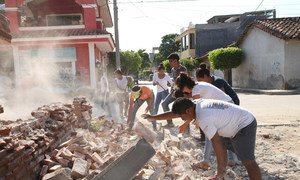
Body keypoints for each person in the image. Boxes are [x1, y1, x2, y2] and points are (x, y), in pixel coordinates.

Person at [171, 97, 261, 180]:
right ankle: (220, 175)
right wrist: (156, 117)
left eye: (181, 116)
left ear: (188, 111)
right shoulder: (195, 104)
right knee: (223, 146)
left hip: (244, 124)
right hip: (230, 122)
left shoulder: (203, 117)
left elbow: (216, 142)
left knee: (248, 161)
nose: (182, 119)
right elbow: (220, 145)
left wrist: (219, 166)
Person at [176, 72, 238, 168]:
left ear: (185, 85)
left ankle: (206, 161)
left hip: (225, 106)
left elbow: (194, 110)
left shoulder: (196, 90)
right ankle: (232, 159)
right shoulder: (198, 86)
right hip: (225, 105)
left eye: (182, 88)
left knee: (211, 133)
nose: (184, 91)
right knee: (222, 132)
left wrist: (185, 124)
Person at [161, 53, 187, 128]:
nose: (169, 63)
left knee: (183, 109)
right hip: (174, 91)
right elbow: (175, 81)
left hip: (182, 92)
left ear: (175, 60)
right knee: (164, 104)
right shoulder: (172, 70)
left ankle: (186, 129)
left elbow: (184, 82)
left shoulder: (183, 69)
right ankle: (170, 123)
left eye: (170, 61)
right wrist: (172, 87)